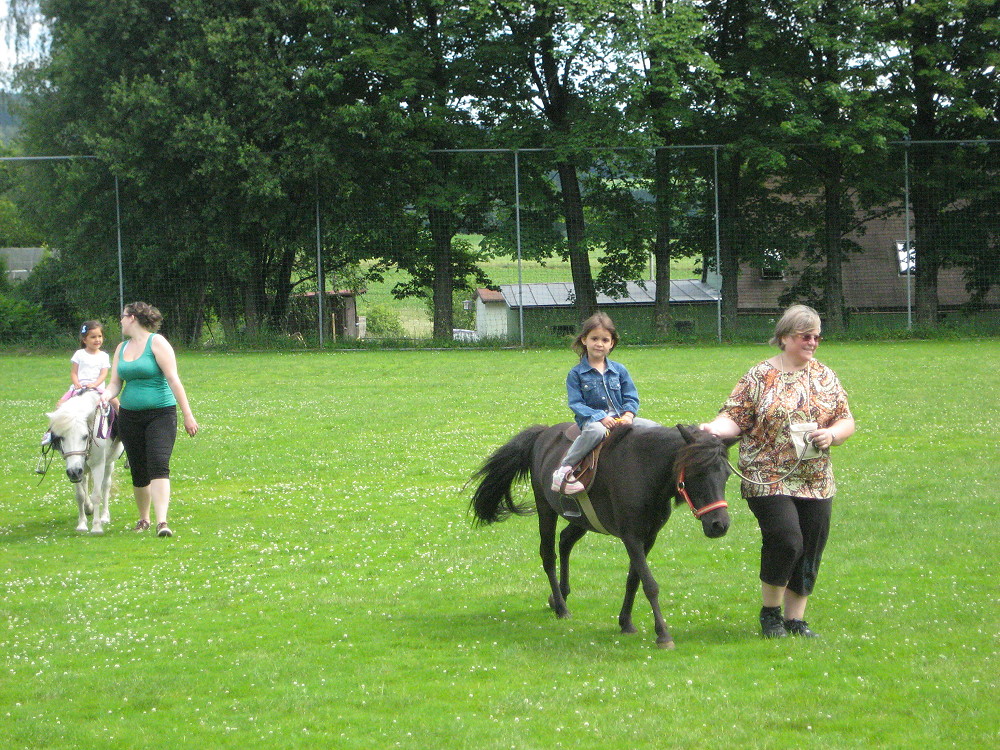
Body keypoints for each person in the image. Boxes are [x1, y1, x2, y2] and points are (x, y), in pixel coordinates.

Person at [700, 304, 854, 639]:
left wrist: (832, 434)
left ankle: (796, 620)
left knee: (810, 546)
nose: (812, 343)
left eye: (816, 337)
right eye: (805, 336)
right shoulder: (759, 376)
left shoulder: (825, 376)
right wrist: (713, 429)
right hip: (766, 475)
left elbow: (846, 420)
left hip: (815, 478)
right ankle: (771, 614)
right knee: (786, 539)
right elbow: (734, 417)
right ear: (784, 337)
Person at [101, 302, 198, 538]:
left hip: (161, 414)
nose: (120, 321)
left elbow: (173, 380)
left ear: (133, 318)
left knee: (158, 463)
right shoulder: (121, 348)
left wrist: (188, 414)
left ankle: (162, 522)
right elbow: (115, 383)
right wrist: (104, 395)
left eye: (123, 316)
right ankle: (143, 518)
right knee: (138, 469)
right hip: (129, 416)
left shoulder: (157, 343)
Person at [551, 313, 657, 514]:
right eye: (594, 339)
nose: (599, 344)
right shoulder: (576, 374)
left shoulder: (619, 370)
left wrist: (628, 415)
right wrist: (600, 417)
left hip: (620, 418)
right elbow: (576, 403)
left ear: (611, 344)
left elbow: (631, 397)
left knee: (653, 427)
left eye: (605, 340)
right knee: (596, 432)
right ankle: (565, 469)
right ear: (584, 340)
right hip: (592, 420)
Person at [41, 321, 111, 446]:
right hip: (79, 388)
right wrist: (76, 383)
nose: (97, 340)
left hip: (98, 389)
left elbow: (103, 374)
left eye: (99, 336)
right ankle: (51, 432)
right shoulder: (79, 354)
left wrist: (95, 384)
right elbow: (74, 372)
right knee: (60, 405)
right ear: (84, 340)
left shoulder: (104, 356)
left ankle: (121, 429)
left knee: (116, 404)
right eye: (93, 337)